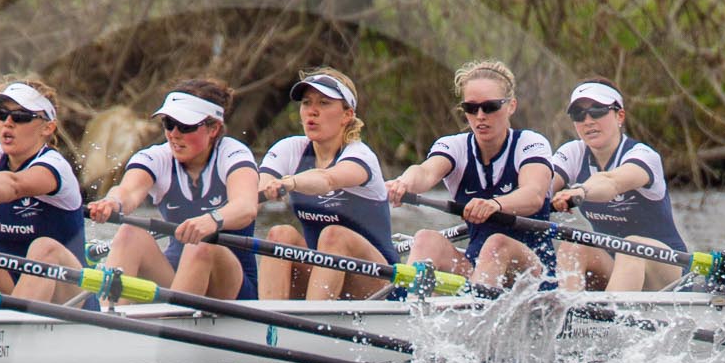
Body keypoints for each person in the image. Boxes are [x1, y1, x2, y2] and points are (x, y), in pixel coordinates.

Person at [385, 59, 556, 289]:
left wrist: (495, 204)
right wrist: (402, 183)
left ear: (511, 106)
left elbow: (533, 195)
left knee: (496, 244)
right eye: (471, 108)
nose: (480, 116)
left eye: (490, 107)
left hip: (534, 276)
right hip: (478, 270)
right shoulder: (455, 147)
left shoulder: (530, 143)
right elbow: (425, 173)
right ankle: (410, 313)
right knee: (426, 239)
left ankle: (471, 310)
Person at [86, 81, 259, 300]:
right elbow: (128, 192)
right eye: (169, 123)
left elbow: (246, 207)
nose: (174, 134)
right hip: (175, 277)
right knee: (130, 233)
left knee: (200, 245)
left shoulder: (233, 153)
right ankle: (109, 318)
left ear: (213, 129)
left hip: (232, 288)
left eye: (185, 126)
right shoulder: (157, 157)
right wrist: (111, 203)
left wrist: (212, 220)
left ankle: (167, 324)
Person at [255, 68, 394, 300]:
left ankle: (314, 321)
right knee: (280, 234)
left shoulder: (360, 156)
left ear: (347, 115)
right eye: (307, 103)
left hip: (379, 284)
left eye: (324, 103)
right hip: (325, 275)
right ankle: (270, 324)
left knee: (334, 236)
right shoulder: (290, 149)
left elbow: (327, 179)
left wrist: (289, 183)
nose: (312, 111)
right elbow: (254, 197)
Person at [0, 80, 87, 303]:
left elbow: (14, 185)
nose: (8, 122)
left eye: (21, 116)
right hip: (13, 286)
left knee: (44, 248)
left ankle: (12, 327)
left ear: (47, 127)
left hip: (70, 295)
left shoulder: (54, 166)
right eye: (2, 114)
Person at [549, 79, 688, 291]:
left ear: (619, 115)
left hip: (669, 271)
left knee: (631, 246)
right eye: (579, 114)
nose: (588, 121)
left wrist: (580, 191)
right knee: (571, 246)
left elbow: (611, 183)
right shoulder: (572, 153)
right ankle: (568, 315)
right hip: (615, 268)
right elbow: (540, 187)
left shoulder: (643, 155)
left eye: (597, 111)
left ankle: (611, 320)